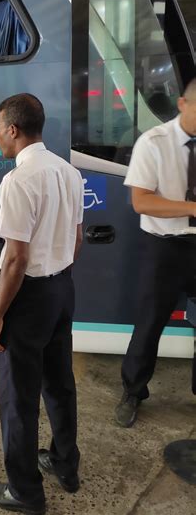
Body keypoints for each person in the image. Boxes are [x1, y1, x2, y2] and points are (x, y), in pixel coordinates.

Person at [0, 93, 84, 515]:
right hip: (63, 290)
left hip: (30, 299)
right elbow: (76, 240)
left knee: (18, 398)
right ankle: (65, 464)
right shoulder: (68, 170)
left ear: (13, 130)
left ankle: (25, 491)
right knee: (60, 383)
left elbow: (17, 259)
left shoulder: (18, 180)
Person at [115, 78, 196, 428]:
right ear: (183, 104)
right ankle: (133, 390)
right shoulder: (154, 142)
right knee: (149, 323)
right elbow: (141, 201)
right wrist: (192, 207)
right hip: (165, 247)